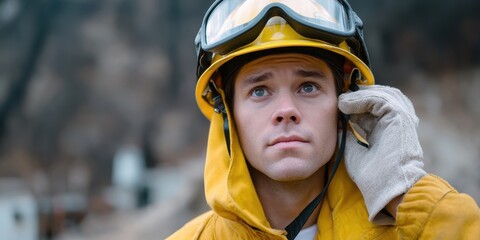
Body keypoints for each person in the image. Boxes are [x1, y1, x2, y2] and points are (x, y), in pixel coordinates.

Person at [168, 0, 480, 239]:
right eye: (260, 91)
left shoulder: (414, 228)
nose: (286, 109)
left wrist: (408, 196)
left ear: (347, 102)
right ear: (228, 112)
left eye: (308, 86)